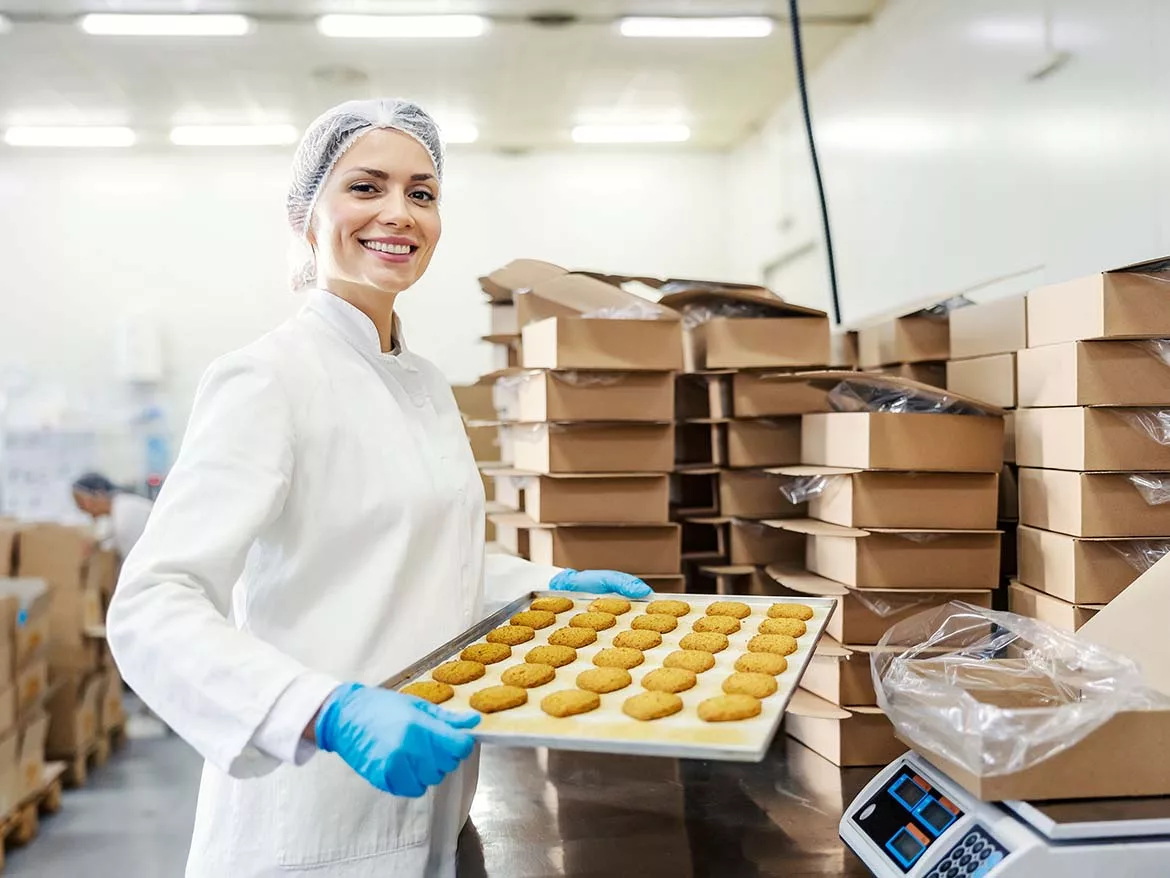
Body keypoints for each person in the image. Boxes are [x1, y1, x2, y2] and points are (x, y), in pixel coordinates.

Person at [105, 98, 651, 878]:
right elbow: (152, 605)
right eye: (366, 187)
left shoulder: (422, 382)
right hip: (313, 827)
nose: (399, 213)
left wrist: (547, 586)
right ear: (306, 213)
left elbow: (418, 552)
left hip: (440, 810)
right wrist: (324, 712)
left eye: (422, 193)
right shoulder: (266, 378)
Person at [71, 472, 155, 559]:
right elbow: (107, 539)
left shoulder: (125, 517)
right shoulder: (118, 510)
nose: (81, 508)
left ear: (99, 493)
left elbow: (139, 560)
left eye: (81, 502)